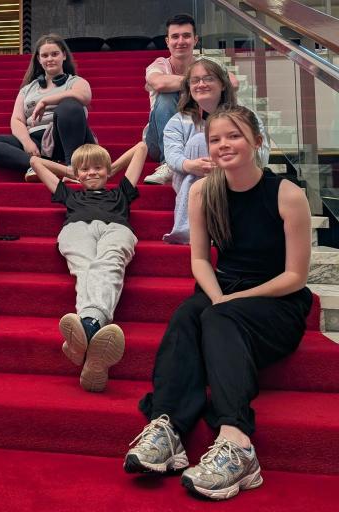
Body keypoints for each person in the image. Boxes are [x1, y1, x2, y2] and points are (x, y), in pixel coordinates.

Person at [124, 106, 312, 501]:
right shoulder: (202, 191)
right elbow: (198, 261)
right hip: (222, 293)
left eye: (234, 136)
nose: (223, 145)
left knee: (219, 316)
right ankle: (169, 426)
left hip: (276, 303)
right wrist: (217, 299)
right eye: (215, 138)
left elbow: (295, 276)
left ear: (257, 142)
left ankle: (238, 441)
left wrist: (229, 302)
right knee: (188, 313)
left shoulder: (287, 194)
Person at [30, 142, 150, 392]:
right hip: (77, 228)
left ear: (107, 171)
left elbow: (141, 147)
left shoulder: (121, 192)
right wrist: (73, 172)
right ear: (77, 173)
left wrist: (109, 168)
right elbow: (36, 163)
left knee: (108, 264)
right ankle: (92, 335)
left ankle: (86, 331)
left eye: (98, 168)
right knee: (86, 268)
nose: (92, 173)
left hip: (116, 228)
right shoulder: (70, 195)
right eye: (86, 169)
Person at [112, 13, 238, 184]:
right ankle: (168, 163)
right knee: (165, 95)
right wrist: (202, 81)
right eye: (175, 37)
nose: (181, 41)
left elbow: (232, 83)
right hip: (158, 140)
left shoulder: (205, 63)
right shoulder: (159, 65)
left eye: (186, 36)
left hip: (198, 133)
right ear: (167, 41)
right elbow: (159, 83)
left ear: (195, 40)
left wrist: (194, 82)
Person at [162, 59, 268, 244]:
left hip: (237, 178)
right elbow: (172, 156)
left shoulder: (245, 116)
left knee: (201, 140)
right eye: (195, 80)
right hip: (194, 180)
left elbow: (262, 155)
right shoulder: (177, 121)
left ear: (222, 83)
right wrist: (191, 165)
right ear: (189, 87)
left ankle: (193, 228)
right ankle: (202, 225)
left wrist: (225, 165)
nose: (201, 84)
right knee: (198, 142)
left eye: (208, 78)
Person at [0, 33, 96, 182]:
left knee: (70, 106)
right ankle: (48, 167)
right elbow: (17, 119)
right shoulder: (27, 89)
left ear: (64, 56)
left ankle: (73, 165)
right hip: (36, 143)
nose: (50, 59)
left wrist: (46, 100)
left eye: (54, 54)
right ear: (39, 59)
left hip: (65, 139)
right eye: (45, 55)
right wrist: (27, 143)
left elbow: (84, 96)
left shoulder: (76, 82)